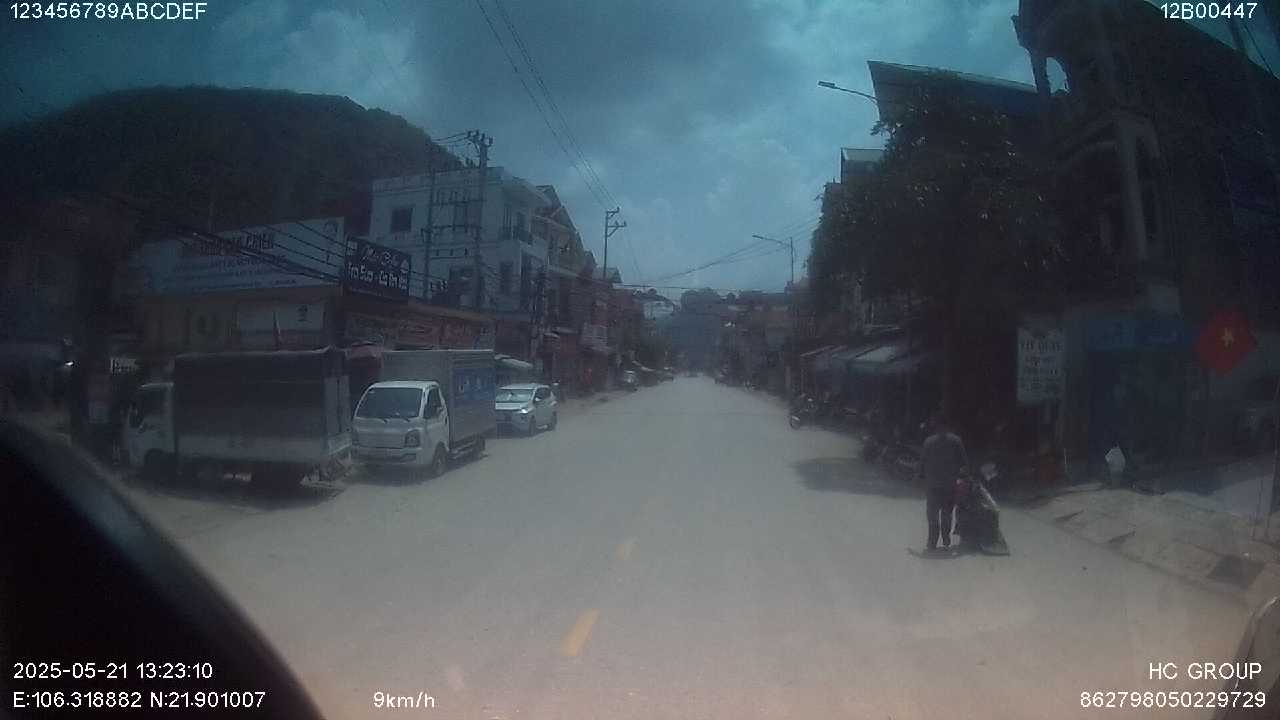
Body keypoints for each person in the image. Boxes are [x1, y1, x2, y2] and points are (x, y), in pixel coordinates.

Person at [920, 411, 969, 551]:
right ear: (948, 425)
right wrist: (964, 477)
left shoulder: (929, 442)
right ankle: (946, 539)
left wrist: (919, 478)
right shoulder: (956, 441)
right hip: (949, 485)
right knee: (947, 513)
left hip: (933, 485)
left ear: (936, 426)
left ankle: (932, 542)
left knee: (932, 515)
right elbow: (964, 463)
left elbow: (922, 462)